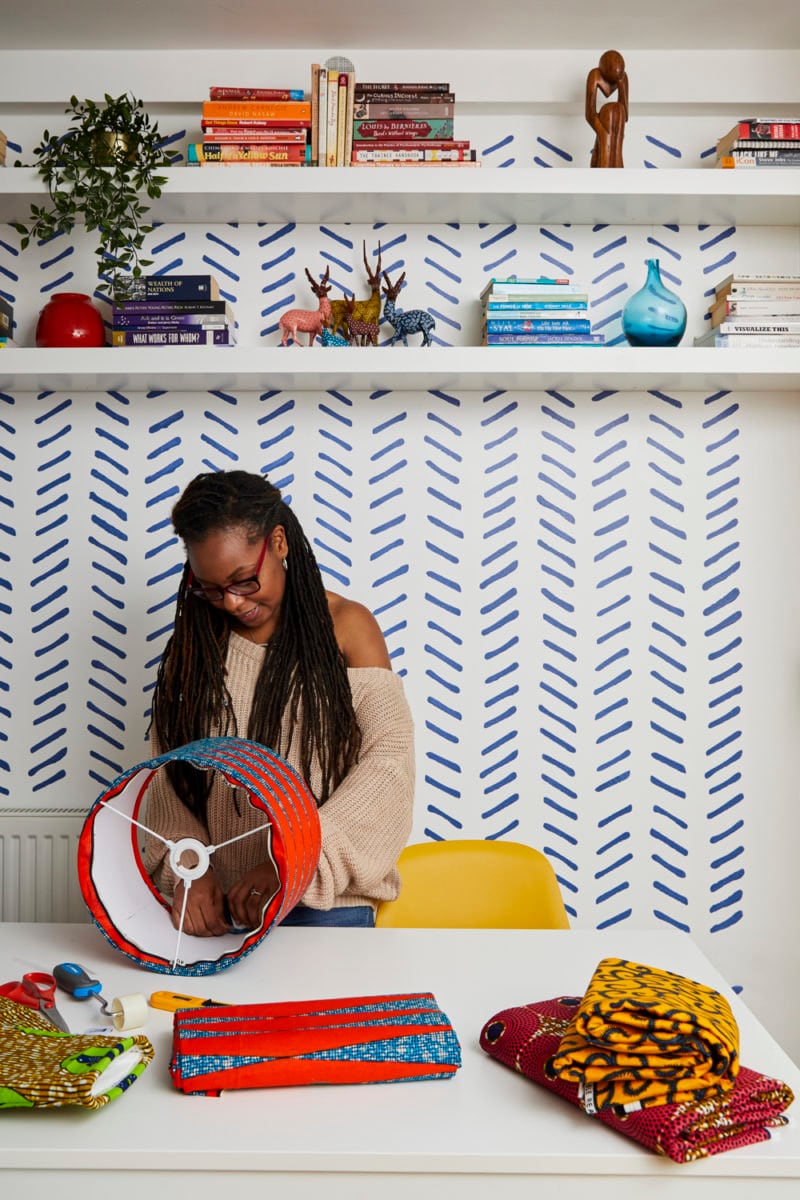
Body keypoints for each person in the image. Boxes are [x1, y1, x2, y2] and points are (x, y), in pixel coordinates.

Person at [143, 469, 415, 934]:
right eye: (210, 588)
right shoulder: (197, 647)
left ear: (280, 543)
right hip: (224, 908)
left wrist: (294, 859)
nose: (229, 602)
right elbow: (169, 773)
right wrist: (189, 867)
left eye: (244, 580)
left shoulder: (348, 628)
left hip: (328, 906)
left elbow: (388, 766)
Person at [585, 49, 629, 168]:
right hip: (602, 120)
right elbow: (590, 114)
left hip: (616, 122)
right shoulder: (594, 76)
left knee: (617, 109)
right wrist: (602, 131)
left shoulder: (623, 77)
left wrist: (620, 83)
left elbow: (625, 116)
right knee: (604, 146)